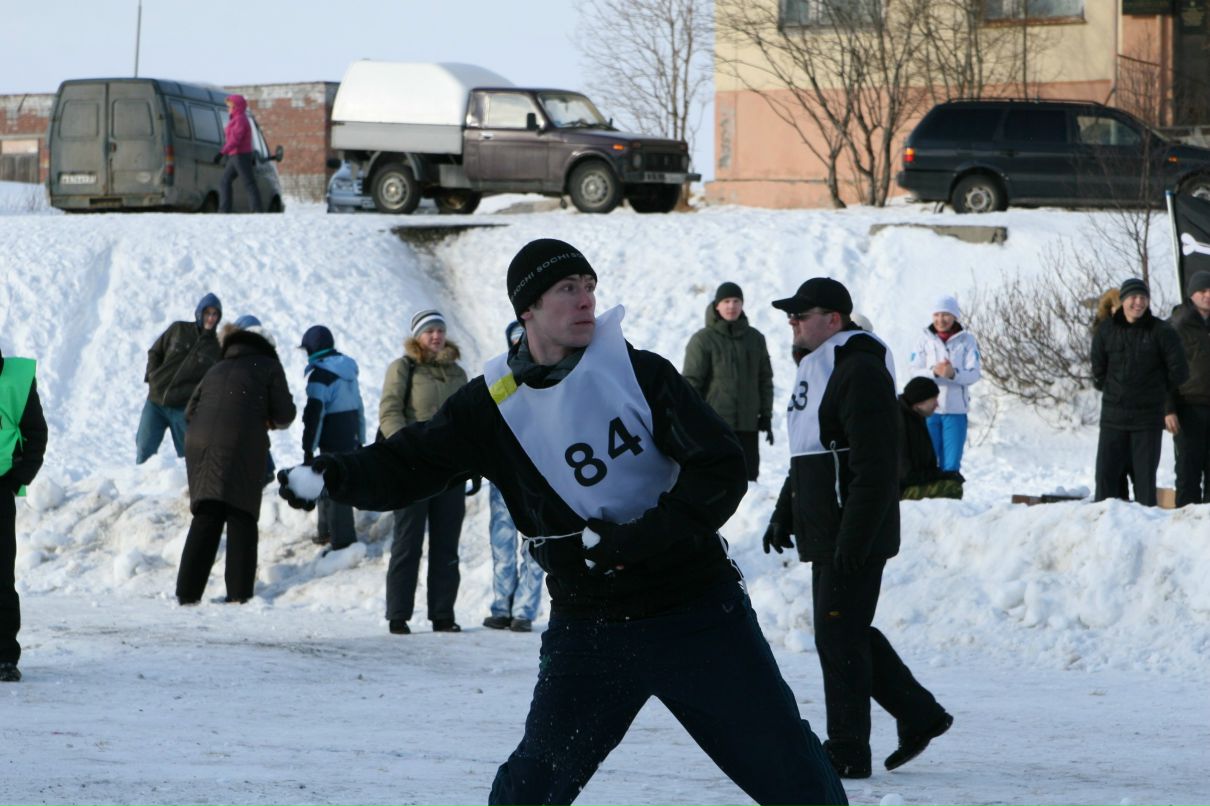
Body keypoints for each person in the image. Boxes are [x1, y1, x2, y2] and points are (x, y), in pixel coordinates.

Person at [279, 238, 846, 806]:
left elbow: (720, 467)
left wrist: (642, 538)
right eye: (567, 288)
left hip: (695, 610)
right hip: (590, 623)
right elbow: (412, 459)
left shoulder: (637, 372)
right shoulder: (493, 404)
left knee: (792, 775)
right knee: (532, 787)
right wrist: (335, 475)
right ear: (527, 308)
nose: (586, 300)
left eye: (590, 286)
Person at [762, 277, 951, 779]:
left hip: (853, 528)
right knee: (843, 631)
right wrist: (786, 511)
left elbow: (876, 465)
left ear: (834, 320)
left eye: (802, 314)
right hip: (832, 525)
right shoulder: (821, 368)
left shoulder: (859, 369)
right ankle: (919, 714)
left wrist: (855, 536)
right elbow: (811, 451)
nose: (792, 322)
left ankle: (848, 749)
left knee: (839, 636)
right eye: (790, 315)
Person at [176, 319, 296, 605]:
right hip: (240, 442)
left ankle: (187, 594)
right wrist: (264, 417)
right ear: (268, 347)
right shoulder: (269, 366)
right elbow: (284, 414)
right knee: (241, 513)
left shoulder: (217, 367)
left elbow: (189, 411)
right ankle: (239, 595)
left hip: (199, 443)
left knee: (207, 513)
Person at [378, 309, 471, 635]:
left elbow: (469, 420)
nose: (436, 336)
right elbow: (389, 411)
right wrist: (404, 449)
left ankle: (443, 614)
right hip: (413, 468)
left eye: (440, 330)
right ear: (417, 336)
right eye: (429, 330)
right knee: (408, 541)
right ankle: (398, 614)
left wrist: (473, 462)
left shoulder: (458, 372)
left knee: (447, 545)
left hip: (449, 471)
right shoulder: (404, 367)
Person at [1091, 277, 1187, 506]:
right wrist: (1115, 390)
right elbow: (1098, 370)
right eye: (1133, 297)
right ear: (1123, 300)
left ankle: (1145, 526)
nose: (1139, 302)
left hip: (1147, 420)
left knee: (1144, 483)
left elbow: (1180, 371)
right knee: (1106, 480)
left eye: (1143, 297)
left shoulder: (1161, 331)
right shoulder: (1106, 330)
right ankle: (1104, 525)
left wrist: (1155, 391)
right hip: (1113, 418)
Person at [482, 320, 544, 633]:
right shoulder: (500, 377)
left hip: (537, 476)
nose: (521, 344)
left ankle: (524, 610)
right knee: (502, 542)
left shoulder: (547, 375)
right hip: (504, 474)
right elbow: (485, 421)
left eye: (525, 338)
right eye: (516, 340)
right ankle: (501, 606)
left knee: (535, 542)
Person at [682, 281, 774, 481]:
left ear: (742, 304)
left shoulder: (755, 338)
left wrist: (766, 415)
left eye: (736, 301)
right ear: (717, 305)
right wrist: (690, 420)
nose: (731, 306)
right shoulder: (703, 340)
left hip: (748, 426)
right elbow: (691, 384)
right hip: (715, 426)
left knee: (748, 480)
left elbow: (765, 379)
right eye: (726, 301)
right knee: (717, 480)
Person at [0, 346, 48, 683]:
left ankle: (4, 656)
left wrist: (16, 478)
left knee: (1, 577)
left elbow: (36, 433)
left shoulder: (16, 378)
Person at [136, 293, 222, 464]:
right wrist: (152, 377)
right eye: (207, 313)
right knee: (144, 448)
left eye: (215, 314)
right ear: (199, 312)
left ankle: (185, 482)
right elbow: (155, 352)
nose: (211, 318)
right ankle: (140, 479)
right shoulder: (178, 329)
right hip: (156, 402)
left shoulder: (216, 348)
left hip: (183, 409)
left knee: (189, 455)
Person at [300, 325, 365, 549]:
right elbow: (359, 407)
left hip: (331, 438)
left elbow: (315, 415)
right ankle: (326, 532)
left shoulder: (320, 375)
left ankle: (342, 541)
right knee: (329, 481)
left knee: (334, 486)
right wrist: (360, 438)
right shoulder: (348, 370)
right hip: (350, 435)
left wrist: (308, 447)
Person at [907, 295, 981, 473]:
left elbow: (974, 374)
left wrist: (953, 374)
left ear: (955, 316)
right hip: (928, 410)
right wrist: (933, 371)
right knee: (928, 460)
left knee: (951, 464)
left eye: (946, 315)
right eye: (937, 315)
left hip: (955, 411)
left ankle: (950, 490)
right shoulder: (924, 340)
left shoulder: (967, 341)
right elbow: (913, 371)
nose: (941, 320)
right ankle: (931, 491)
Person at [1169, 271, 1210, 506]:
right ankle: (1185, 523)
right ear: (1191, 294)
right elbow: (1164, 370)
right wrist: (1168, 408)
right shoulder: (1178, 324)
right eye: (1202, 291)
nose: (1208, 295)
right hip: (1188, 406)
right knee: (1188, 472)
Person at [898, 377, 963, 501]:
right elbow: (905, 475)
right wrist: (940, 475)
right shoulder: (900, 423)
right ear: (920, 401)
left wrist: (945, 475)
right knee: (953, 488)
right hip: (899, 490)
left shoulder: (916, 417)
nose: (937, 404)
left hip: (912, 482)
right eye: (934, 399)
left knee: (953, 482)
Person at [216, 94, 264, 213]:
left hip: (241, 155)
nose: (228, 109)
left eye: (229, 106)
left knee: (249, 182)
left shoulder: (240, 120)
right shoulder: (235, 119)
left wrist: (222, 152)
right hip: (235, 155)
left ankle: (256, 209)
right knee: (224, 181)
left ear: (236, 107)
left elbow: (235, 140)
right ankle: (224, 210)